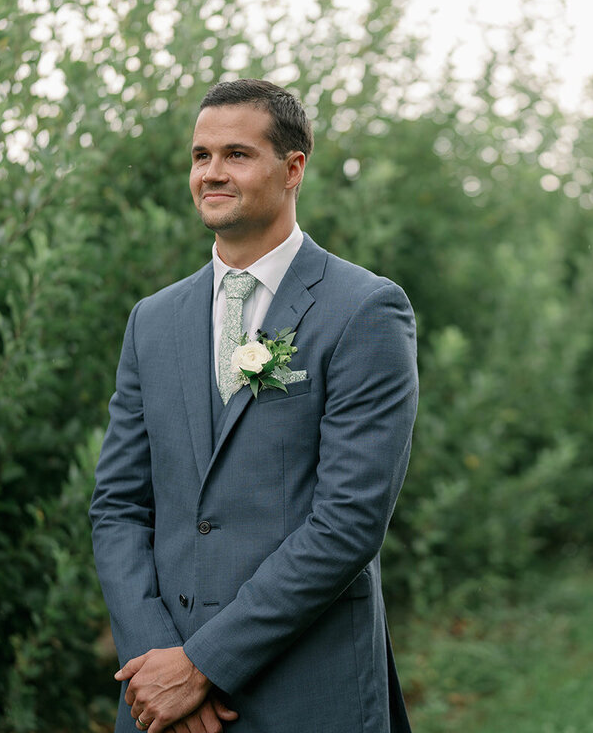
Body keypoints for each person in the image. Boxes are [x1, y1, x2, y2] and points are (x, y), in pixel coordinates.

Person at [90, 79, 418, 732]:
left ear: (293, 168)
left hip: (305, 691)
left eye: (236, 154)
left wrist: (204, 665)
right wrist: (159, 662)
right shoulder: (152, 321)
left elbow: (348, 523)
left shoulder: (365, 310)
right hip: (161, 699)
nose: (211, 173)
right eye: (200, 156)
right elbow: (118, 507)